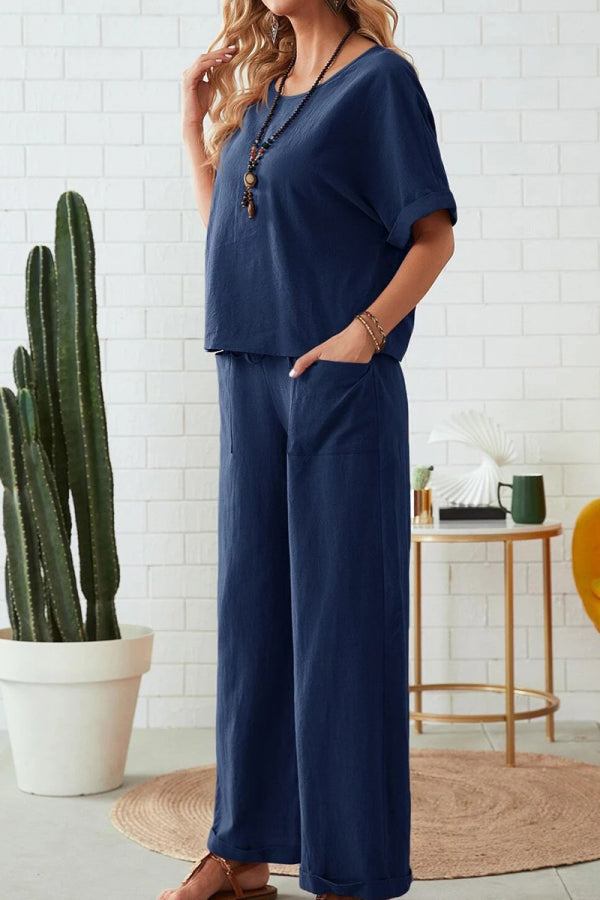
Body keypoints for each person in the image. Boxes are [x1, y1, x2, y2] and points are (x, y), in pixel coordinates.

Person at [159, 1, 456, 899]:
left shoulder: (378, 84)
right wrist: (193, 123)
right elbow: (231, 238)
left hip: (337, 389)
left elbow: (433, 237)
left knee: (342, 635)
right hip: (249, 378)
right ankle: (241, 847)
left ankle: (351, 872)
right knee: (252, 623)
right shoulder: (270, 89)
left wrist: (363, 334)